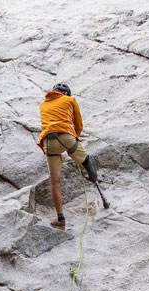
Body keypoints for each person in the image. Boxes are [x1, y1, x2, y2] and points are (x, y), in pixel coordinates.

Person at [37, 83, 99, 230]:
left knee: (55, 182)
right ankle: (94, 179)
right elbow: (78, 124)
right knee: (86, 160)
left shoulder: (43, 105)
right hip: (66, 137)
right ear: (66, 93)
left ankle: (60, 219)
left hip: (48, 142)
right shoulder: (70, 100)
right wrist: (75, 140)